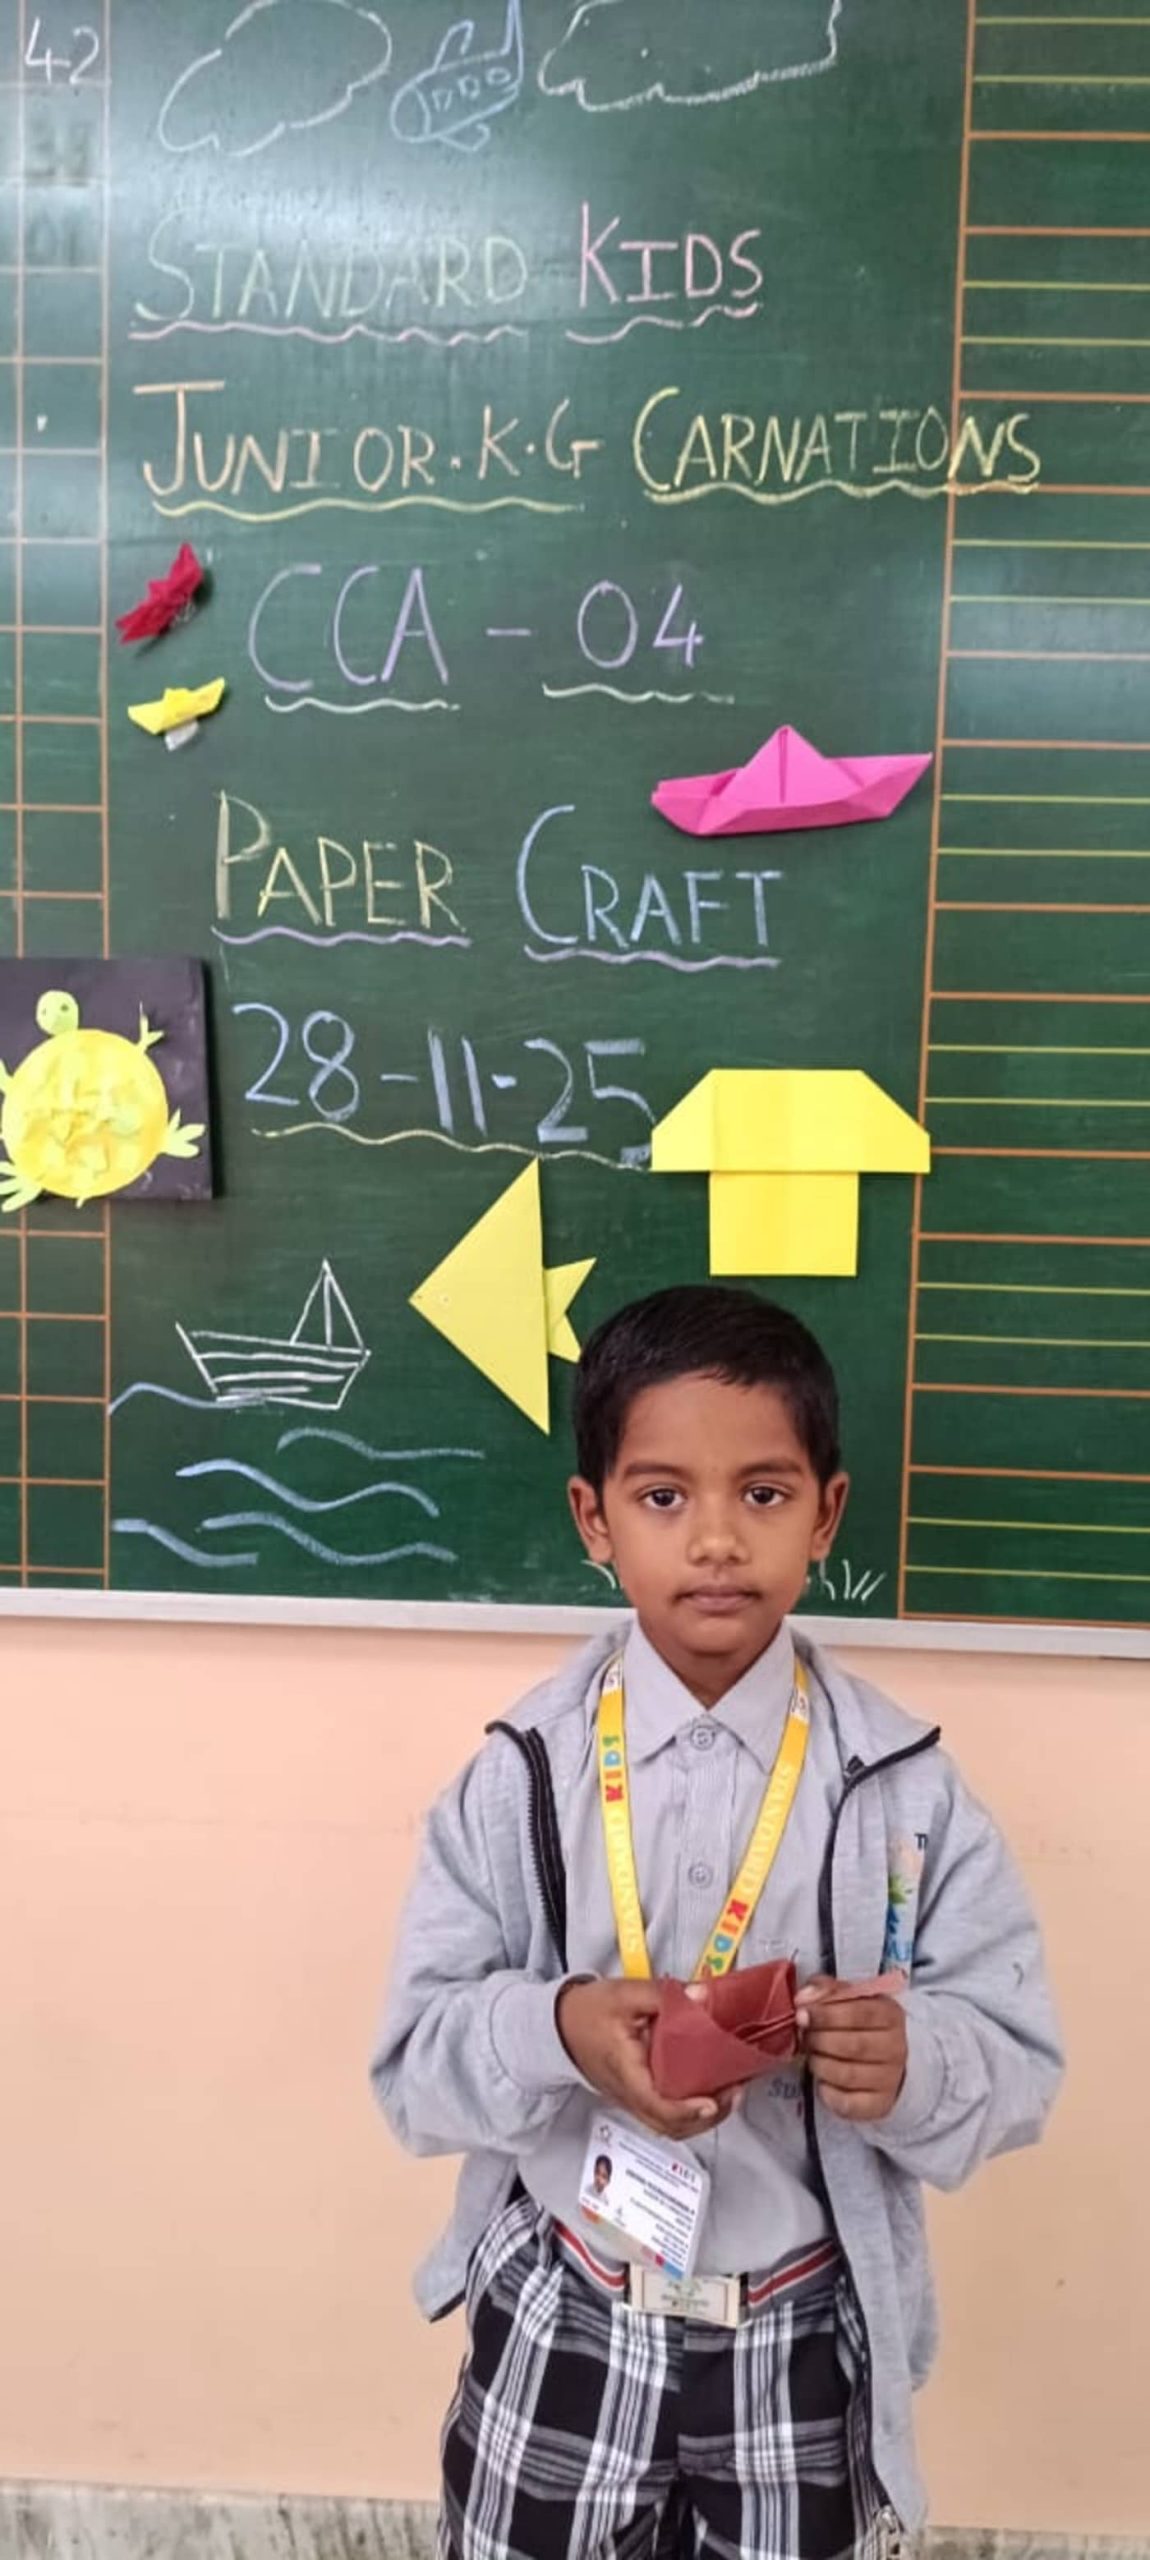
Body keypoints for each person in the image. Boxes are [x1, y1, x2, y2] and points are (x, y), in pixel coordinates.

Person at [373, 1285, 1062, 2560]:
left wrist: (915, 2062)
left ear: (825, 1514)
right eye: (660, 1495)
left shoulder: (903, 1791)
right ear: (592, 1518)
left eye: (762, 1492)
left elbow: (1019, 2061)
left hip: (797, 2337)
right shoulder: (521, 1776)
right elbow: (413, 2070)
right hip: (565, 2305)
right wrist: (560, 2029)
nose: (714, 1540)